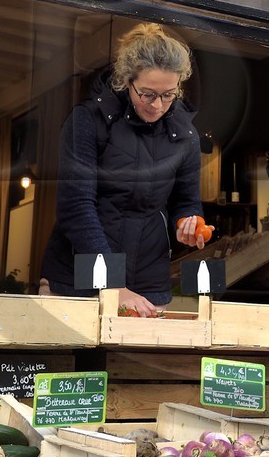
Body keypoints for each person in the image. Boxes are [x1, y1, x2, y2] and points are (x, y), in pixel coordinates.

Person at [38, 23, 207, 315]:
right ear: (127, 81)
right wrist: (112, 285)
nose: (158, 106)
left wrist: (188, 224)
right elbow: (76, 207)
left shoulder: (186, 136)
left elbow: (186, 201)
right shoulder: (88, 121)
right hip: (77, 279)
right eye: (147, 94)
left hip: (147, 282)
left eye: (168, 95)